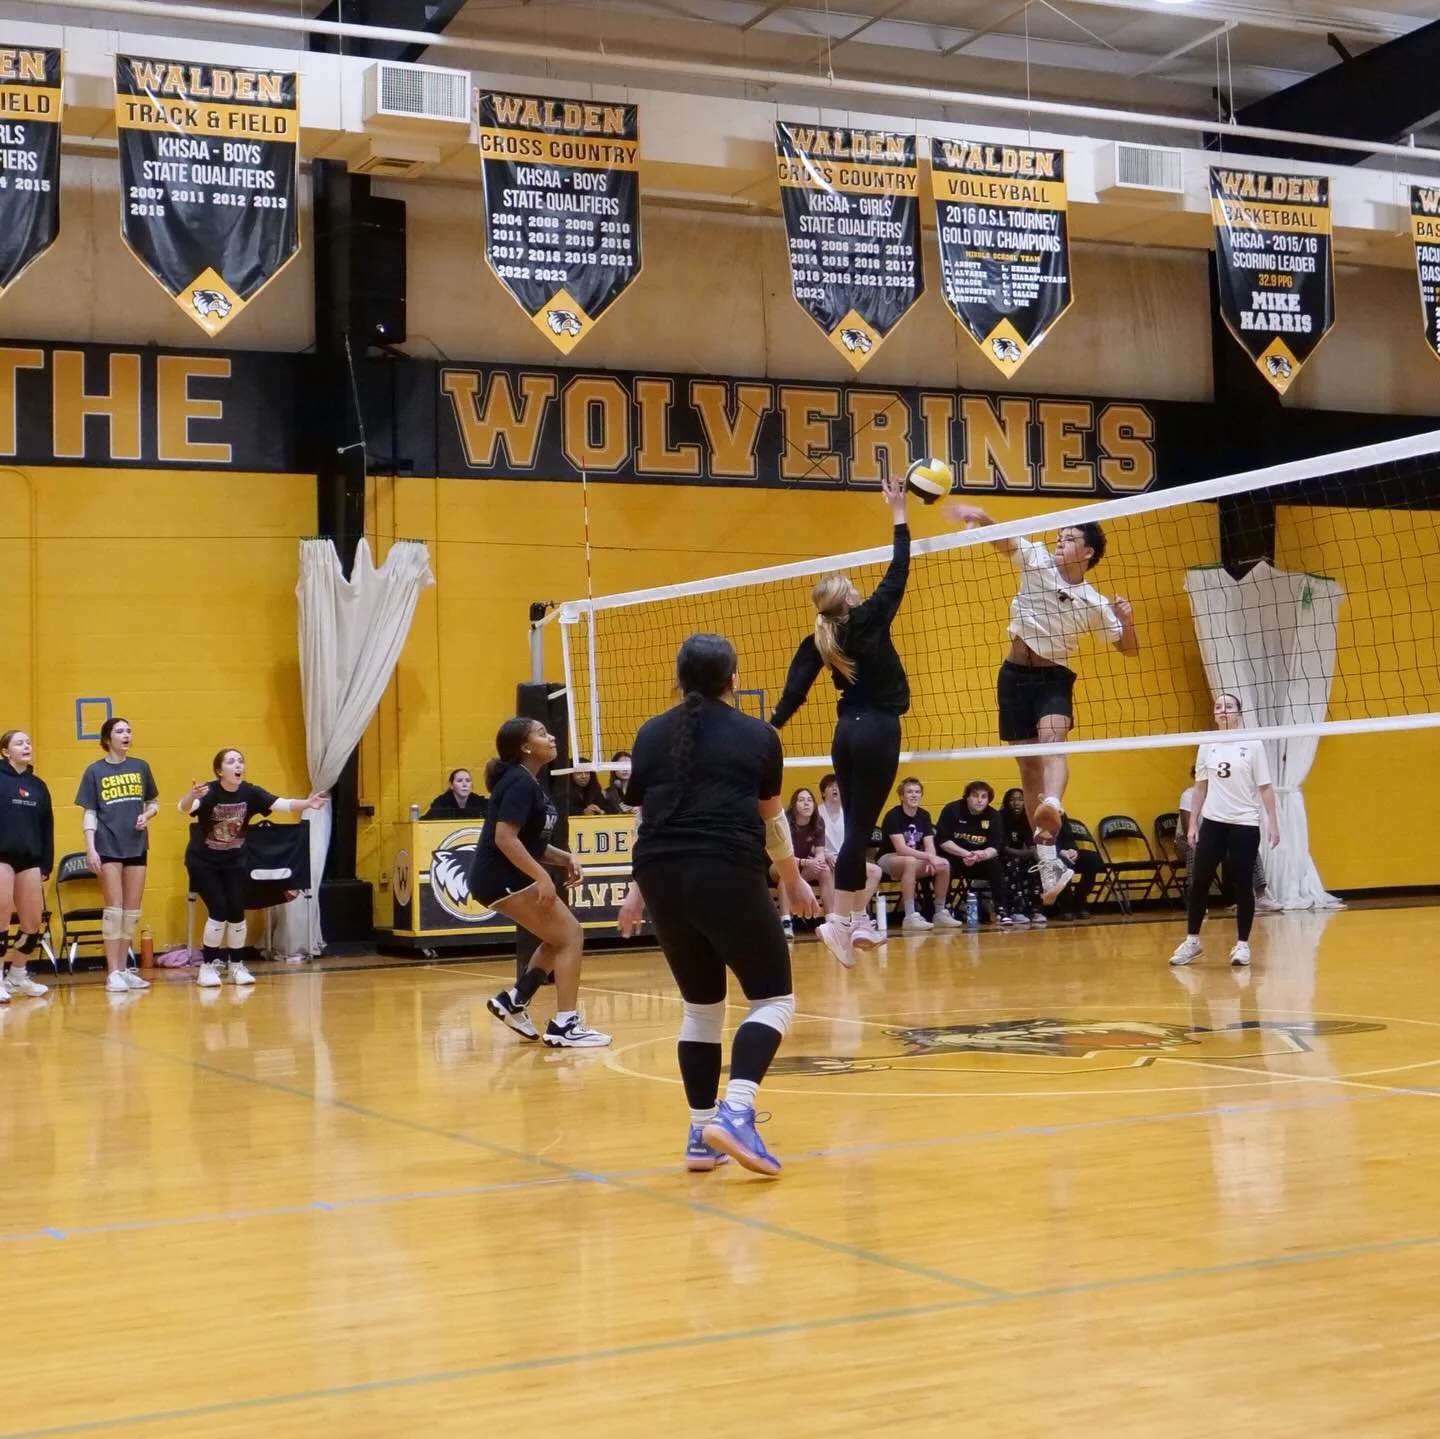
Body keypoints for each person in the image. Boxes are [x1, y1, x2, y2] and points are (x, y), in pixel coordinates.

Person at [617, 633, 818, 1176]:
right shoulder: (758, 735)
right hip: (723, 868)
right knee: (774, 999)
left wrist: (638, 889)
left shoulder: (649, 733)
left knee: (702, 1009)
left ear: (679, 679)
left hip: (660, 873)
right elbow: (772, 818)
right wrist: (793, 879)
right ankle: (735, 1113)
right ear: (734, 679)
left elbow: (644, 816)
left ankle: (700, 1134)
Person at [947, 504, 1138, 904]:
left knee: (1053, 741)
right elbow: (1004, 541)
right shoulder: (1036, 560)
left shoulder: (1093, 602)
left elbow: (1128, 648)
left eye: (1069, 538)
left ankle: (1053, 804)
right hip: (1014, 675)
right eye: (1060, 536)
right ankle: (1049, 861)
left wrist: (1128, 619)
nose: (1059, 541)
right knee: (1028, 766)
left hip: (1054, 676)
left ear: (1087, 553)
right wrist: (982, 516)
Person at [769, 474, 913, 967]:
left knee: (856, 827)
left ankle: (855, 922)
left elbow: (794, 691)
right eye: (853, 589)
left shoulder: (820, 640)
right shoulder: (868, 617)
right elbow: (899, 570)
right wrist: (898, 513)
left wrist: (770, 729)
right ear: (849, 599)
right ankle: (842, 920)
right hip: (877, 730)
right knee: (857, 833)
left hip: (846, 733)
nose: (859, 591)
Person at [477, 719, 610, 1048]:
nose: (551, 736)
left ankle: (515, 1000)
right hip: (501, 877)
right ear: (525, 747)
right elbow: (505, 839)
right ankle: (566, 1024)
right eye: (540, 733)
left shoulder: (528, 781)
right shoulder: (519, 783)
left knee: (557, 938)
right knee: (571, 936)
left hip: (502, 877)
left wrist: (566, 859)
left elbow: (530, 842)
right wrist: (541, 877)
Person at [178, 750, 327, 988]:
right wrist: (190, 796)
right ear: (219, 771)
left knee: (237, 908)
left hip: (234, 860)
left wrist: (308, 803)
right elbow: (183, 807)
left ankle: (236, 965)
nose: (238, 765)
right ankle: (207, 966)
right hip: (203, 861)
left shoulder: (250, 792)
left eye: (240, 761)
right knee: (218, 907)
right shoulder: (209, 791)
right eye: (231, 761)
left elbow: (282, 804)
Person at [1170, 693, 1280, 969]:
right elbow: (1200, 787)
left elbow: (1265, 787)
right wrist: (1193, 823)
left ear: (1238, 713)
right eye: (1218, 707)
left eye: (1228, 706)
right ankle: (1192, 941)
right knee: (1199, 882)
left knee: (1243, 885)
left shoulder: (1252, 744)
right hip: (1214, 821)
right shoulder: (1207, 744)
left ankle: (1242, 945)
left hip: (1244, 822)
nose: (1222, 710)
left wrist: (1273, 822)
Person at [76, 717, 159, 994]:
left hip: (136, 844)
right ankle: (112, 972)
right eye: (120, 731)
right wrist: (90, 847)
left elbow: (154, 803)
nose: (126, 735)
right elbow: (89, 812)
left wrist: (146, 815)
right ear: (107, 738)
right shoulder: (95, 771)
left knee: (131, 913)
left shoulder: (141, 767)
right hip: (107, 844)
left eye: (129, 730)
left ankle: (124, 969)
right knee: (114, 910)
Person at [0, 730, 53, 1001]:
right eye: (19, 743)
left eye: (29, 742)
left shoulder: (38, 785)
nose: (26, 746)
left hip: (30, 858)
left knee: (32, 922)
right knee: (1, 915)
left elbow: (47, 827)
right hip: (2, 857)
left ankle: (17, 974)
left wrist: (47, 862)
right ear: (5, 751)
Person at [879, 778, 958, 931]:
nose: (914, 795)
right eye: (909, 792)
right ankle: (910, 916)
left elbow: (930, 845)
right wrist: (928, 857)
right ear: (902, 796)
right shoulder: (893, 815)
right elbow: (901, 849)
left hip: (916, 859)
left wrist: (932, 858)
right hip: (889, 858)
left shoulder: (924, 815)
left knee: (944, 864)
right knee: (908, 860)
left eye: (917, 792)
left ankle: (940, 912)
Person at [817, 773, 881, 942]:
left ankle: (855, 915)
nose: (835, 789)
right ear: (823, 792)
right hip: (827, 858)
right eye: (830, 786)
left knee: (875, 871)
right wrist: (825, 854)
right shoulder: (817, 813)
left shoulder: (850, 813)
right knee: (828, 870)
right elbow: (811, 841)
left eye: (838, 786)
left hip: (847, 857)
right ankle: (835, 920)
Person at [937, 781, 1003, 922]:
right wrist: (966, 854)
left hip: (979, 860)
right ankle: (945, 909)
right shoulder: (952, 810)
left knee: (995, 865)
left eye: (984, 797)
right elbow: (943, 841)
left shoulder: (993, 815)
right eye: (975, 796)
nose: (979, 800)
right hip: (955, 857)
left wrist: (982, 855)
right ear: (967, 797)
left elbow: (996, 846)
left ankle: (1001, 910)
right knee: (945, 865)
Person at [773, 787, 833, 938]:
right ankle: (786, 923)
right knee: (785, 876)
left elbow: (820, 852)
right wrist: (807, 862)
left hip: (803, 865)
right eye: (801, 800)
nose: (806, 804)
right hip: (778, 864)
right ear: (794, 805)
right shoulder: (784, 821)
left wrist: (817, 862)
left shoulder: (818, 822)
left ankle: (832, 922)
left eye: (810, 800)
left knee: (825, 870)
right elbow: (782, 857)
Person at [997, 787, 1045, 925]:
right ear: (1006, 802)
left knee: (1036, 866)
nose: (1016, 803)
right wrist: (1027, 853)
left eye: (1020, 800)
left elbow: (1031, 845)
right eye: (1012, 800)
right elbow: (1003, 848)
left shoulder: (1027, 818)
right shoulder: (1000, 818)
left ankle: (1036, 910)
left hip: (1021, 854)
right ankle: (1015, 910)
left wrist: (1042, 861)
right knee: (1014, 864)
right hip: (1003, 856)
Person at [1053, 814, 1104, 919]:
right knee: (1062, 863)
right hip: (1049, 855)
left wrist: (1073, 850)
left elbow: (1068, 837)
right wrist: (1061, 852)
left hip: (1065, 852)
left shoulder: (1061, 814)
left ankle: (1079, 899)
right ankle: (1065, 906)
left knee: (1092, 859)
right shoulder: (1037, 814)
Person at [422, 768, 487, 821]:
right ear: (451, 785)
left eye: (468, 780)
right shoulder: (441, 803)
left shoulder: (479, 802)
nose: (464, 784)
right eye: (459, 781)